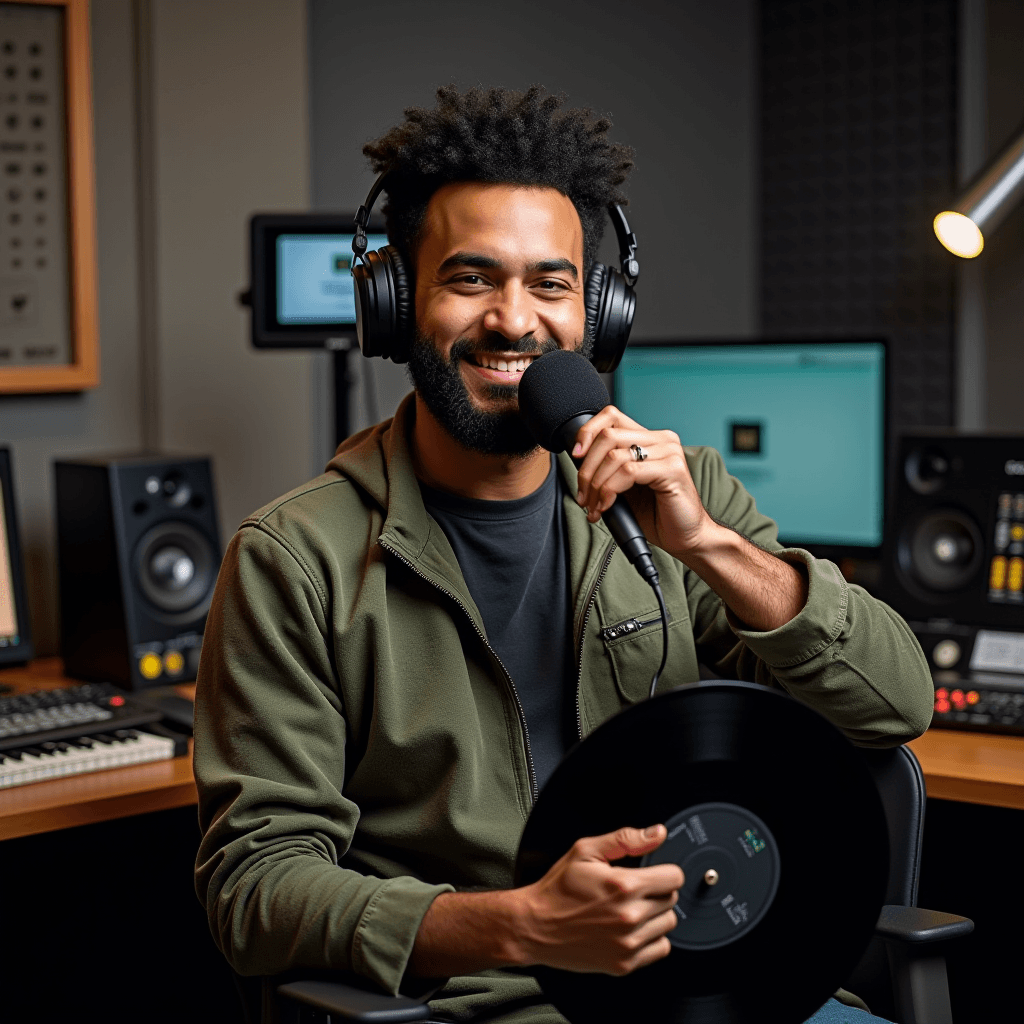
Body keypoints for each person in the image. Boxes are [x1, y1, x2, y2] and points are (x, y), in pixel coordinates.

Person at [194, 85, 933, 1024]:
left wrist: (706, 543)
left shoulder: (683, 498)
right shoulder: (294, 559)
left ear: (600, 311)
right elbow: (254, 890)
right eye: (469, 279)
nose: (514, 321)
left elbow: (896, 702)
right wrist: (521, 926)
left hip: (721, 985)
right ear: (392, 304)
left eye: (551, 284)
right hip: (488, 1005)